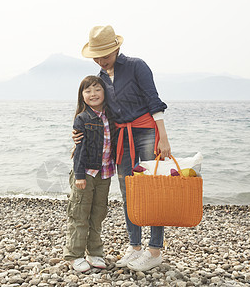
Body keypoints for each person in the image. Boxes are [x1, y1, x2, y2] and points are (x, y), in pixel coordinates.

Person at [75, 25, 172, 272]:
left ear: (117, 48)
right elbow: (97, 109)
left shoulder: (137, 66)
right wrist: (79, 130)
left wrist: (163, 137)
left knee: (152, 189)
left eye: (104, 54)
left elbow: (153, 99)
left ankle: (154, 250)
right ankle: (135, 246)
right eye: (96, 56)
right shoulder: (100, 76)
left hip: (147, 130)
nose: (100, 60)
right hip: (121, 135)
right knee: (129, 190)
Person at [63, 75, 116, 272]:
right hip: (85, 173)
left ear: (105, 92)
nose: (93, 94)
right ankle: (74, 254)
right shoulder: (83, 118)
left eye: (97, 89)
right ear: (82, 95)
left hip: (105, 173)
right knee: (79, 213)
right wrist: (79, 176)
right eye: (88, 90)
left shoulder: (112, 116)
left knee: (98, 214)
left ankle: (94, 252)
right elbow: (80, 150)